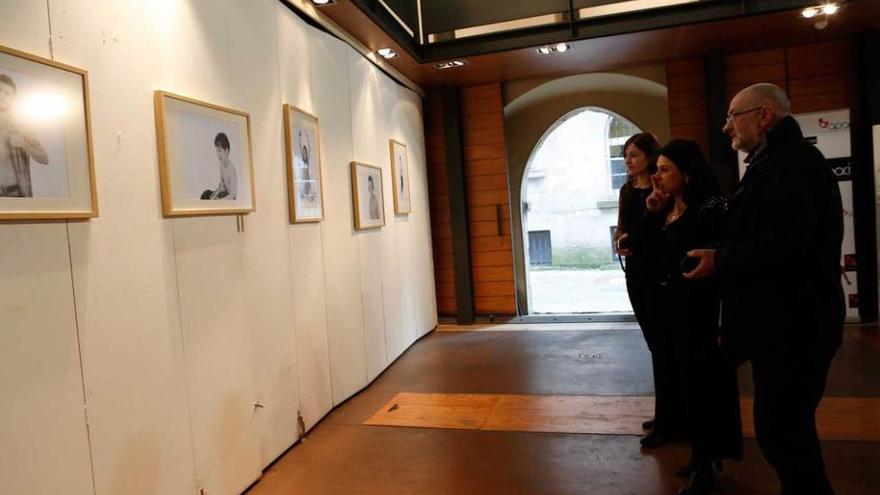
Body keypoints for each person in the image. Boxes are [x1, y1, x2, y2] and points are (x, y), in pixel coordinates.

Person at [685, 83, 844, 494]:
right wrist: (721, 252)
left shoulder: (793, 167)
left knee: (784, 433)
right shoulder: (773, 163)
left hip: (796, 324)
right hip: (781, 324)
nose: (726, 127)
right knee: (783, 433)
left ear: (764, 115)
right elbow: (759, 234)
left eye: (733, 115)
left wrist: (722, 259)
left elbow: (786, 245)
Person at [642, 140, 742, 494]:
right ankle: (701, 455)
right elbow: (648, 251)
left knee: (705, 389)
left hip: (701, 312)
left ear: (686, 173)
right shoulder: (668, 206)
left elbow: (723, 254)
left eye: (665, 169)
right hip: (674, 310)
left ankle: (707, 461)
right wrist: (652, 210)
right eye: (656, 169)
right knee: (687, 387)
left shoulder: (710, 206)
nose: (657, 175)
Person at [614, 133, 679, 441]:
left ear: (649, 157)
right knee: (655, 344)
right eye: (626, 154)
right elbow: (623, 226)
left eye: (634, 154)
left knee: (664, 345)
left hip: (658, 269)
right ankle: (665, 413)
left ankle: (670, 418)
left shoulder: (660, 188)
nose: (628, 160)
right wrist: (619, 240)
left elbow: (663, 227)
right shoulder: (627, 190)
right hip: (636, 270)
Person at [0, 73, 49, 197]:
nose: (2, 96)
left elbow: (44, 158)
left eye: (7, 93)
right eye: (0, 90)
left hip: (15, 193)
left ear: (12, 98)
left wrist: (24, 144)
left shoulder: (21, 125)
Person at [201, 132, 237, 200]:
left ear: (226, 150)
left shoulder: (231, 169)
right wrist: (213, 196)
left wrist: (219, 200)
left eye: (220, 151)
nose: (218, 154)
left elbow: (233, 194)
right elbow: (221, 187)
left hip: (230, 199)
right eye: (217, 151)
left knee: (211, 199)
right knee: (206, 194)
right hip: (224, 194)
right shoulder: (221, 166)